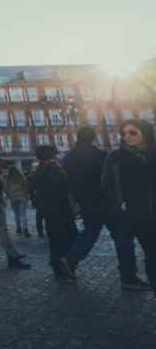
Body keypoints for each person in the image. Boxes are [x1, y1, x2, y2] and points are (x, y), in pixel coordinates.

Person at [59, 125, 150, 290]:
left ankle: (71, 259)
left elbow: (67, 183)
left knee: (90, 232)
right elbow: (111, 179)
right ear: (94, 138)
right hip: (107, 203)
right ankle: (128, 276)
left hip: (86, 203)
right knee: (123, 239)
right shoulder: (102, 155)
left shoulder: (67, 158)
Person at [86, 120, 155, 294]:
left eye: (133, 132)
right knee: (125, 247)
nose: (127, 137)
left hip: (150, 212)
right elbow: (106, 183)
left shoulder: (152, 154)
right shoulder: (115, 156)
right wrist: (118, 201)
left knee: (152, 252)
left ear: (144, 133)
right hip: (125, 212)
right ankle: (129, 278)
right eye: (124, 133)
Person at [28, 145, 77, 279]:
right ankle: (62, 265)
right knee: (66, 237)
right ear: (50, 157)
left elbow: (32, 187)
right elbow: (61, 186)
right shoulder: (53, 169)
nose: (57, 157)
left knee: (56, 238)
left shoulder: (38, 170)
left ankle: (57, 263)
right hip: (60, 208)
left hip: (49, 209)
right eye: (55, 155)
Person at [5, 166, 31, 237]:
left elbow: (5, 189)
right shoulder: (21, 177)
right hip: (22, 197)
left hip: (13, 198)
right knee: (23, 214)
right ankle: (25, 229)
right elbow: (26, 187)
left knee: (16, 214)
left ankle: (18, 228)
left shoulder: (7, 179)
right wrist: (26, 195)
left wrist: (9, 195)